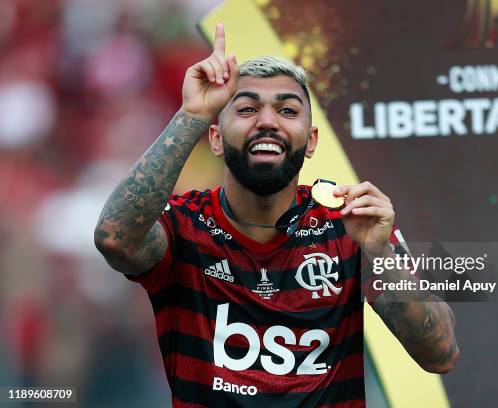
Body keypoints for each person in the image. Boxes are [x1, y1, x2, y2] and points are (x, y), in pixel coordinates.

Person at [94, 23, 458, 407]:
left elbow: (440, 354)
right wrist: (193, 113)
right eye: (248, 108)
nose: (267, 121)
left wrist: (379, 255)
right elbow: (116, 239)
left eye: (287, 110)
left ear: (312, 140)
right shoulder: (185, 224)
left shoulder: (353, 226)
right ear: (215, 138)